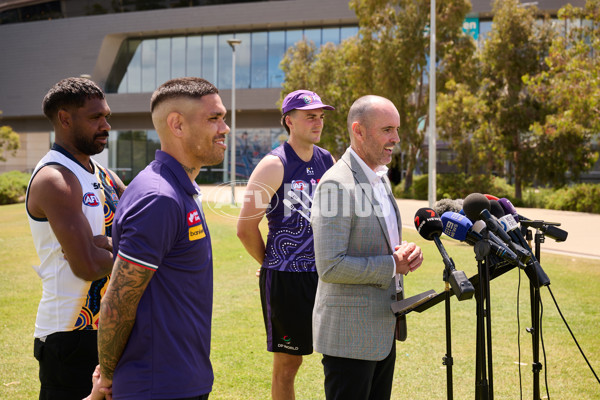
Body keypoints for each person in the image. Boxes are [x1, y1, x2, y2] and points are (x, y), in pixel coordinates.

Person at [96, 77, 229, 399]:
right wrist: (108, 376)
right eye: (214, 118)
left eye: (223, 118)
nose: (224, 128)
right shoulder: (159, 197)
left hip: (181, 379)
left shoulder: (177, 188)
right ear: (177, 125)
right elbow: (117, 301)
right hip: (157, 386)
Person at [311, 95, 424, 400]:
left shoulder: (380, 179)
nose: (396, 139)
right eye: (387, 129)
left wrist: (405, 254)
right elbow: (331, 265)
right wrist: (391, 264)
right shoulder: (336, 184)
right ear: (358, 131)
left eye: (396, 130)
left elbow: (383, 244)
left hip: (382, 330)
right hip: (350, 338)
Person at [25, 77, 125, 400]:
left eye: (106, 116)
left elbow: (150, 235)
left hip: (112, 327)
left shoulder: (105, 175)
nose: (106, 125)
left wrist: (108, 245)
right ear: (65, 119)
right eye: (95, 117)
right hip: (68, 336)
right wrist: (129, 252)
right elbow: (86, 265)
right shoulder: (54, 179)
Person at [237, 89, 335, 400]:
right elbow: (244, 227)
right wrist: (269, 263)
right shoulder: (273, 165)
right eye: (310, 117)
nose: (318, 122)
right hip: (287, 279)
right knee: (288, 364)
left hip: (326, 275)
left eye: (320, 117)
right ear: (289, 121)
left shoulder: (327, 160)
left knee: (335, 356)